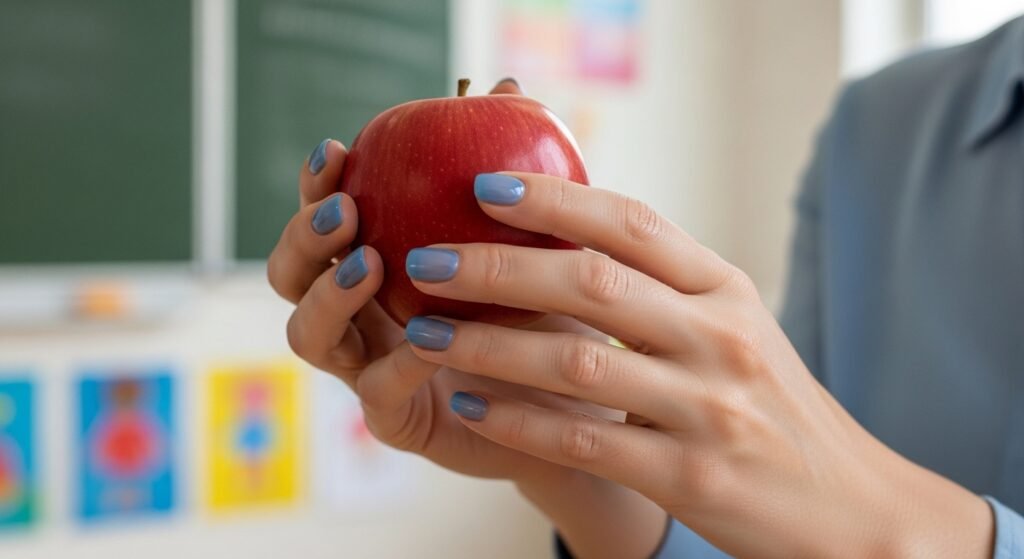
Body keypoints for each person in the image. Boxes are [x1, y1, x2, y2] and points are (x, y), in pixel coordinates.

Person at [268, 16, 1024, 558]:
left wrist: (881, 526)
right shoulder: (881, 124)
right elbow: (776, 528)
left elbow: (830, 512)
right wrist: (567, 456)